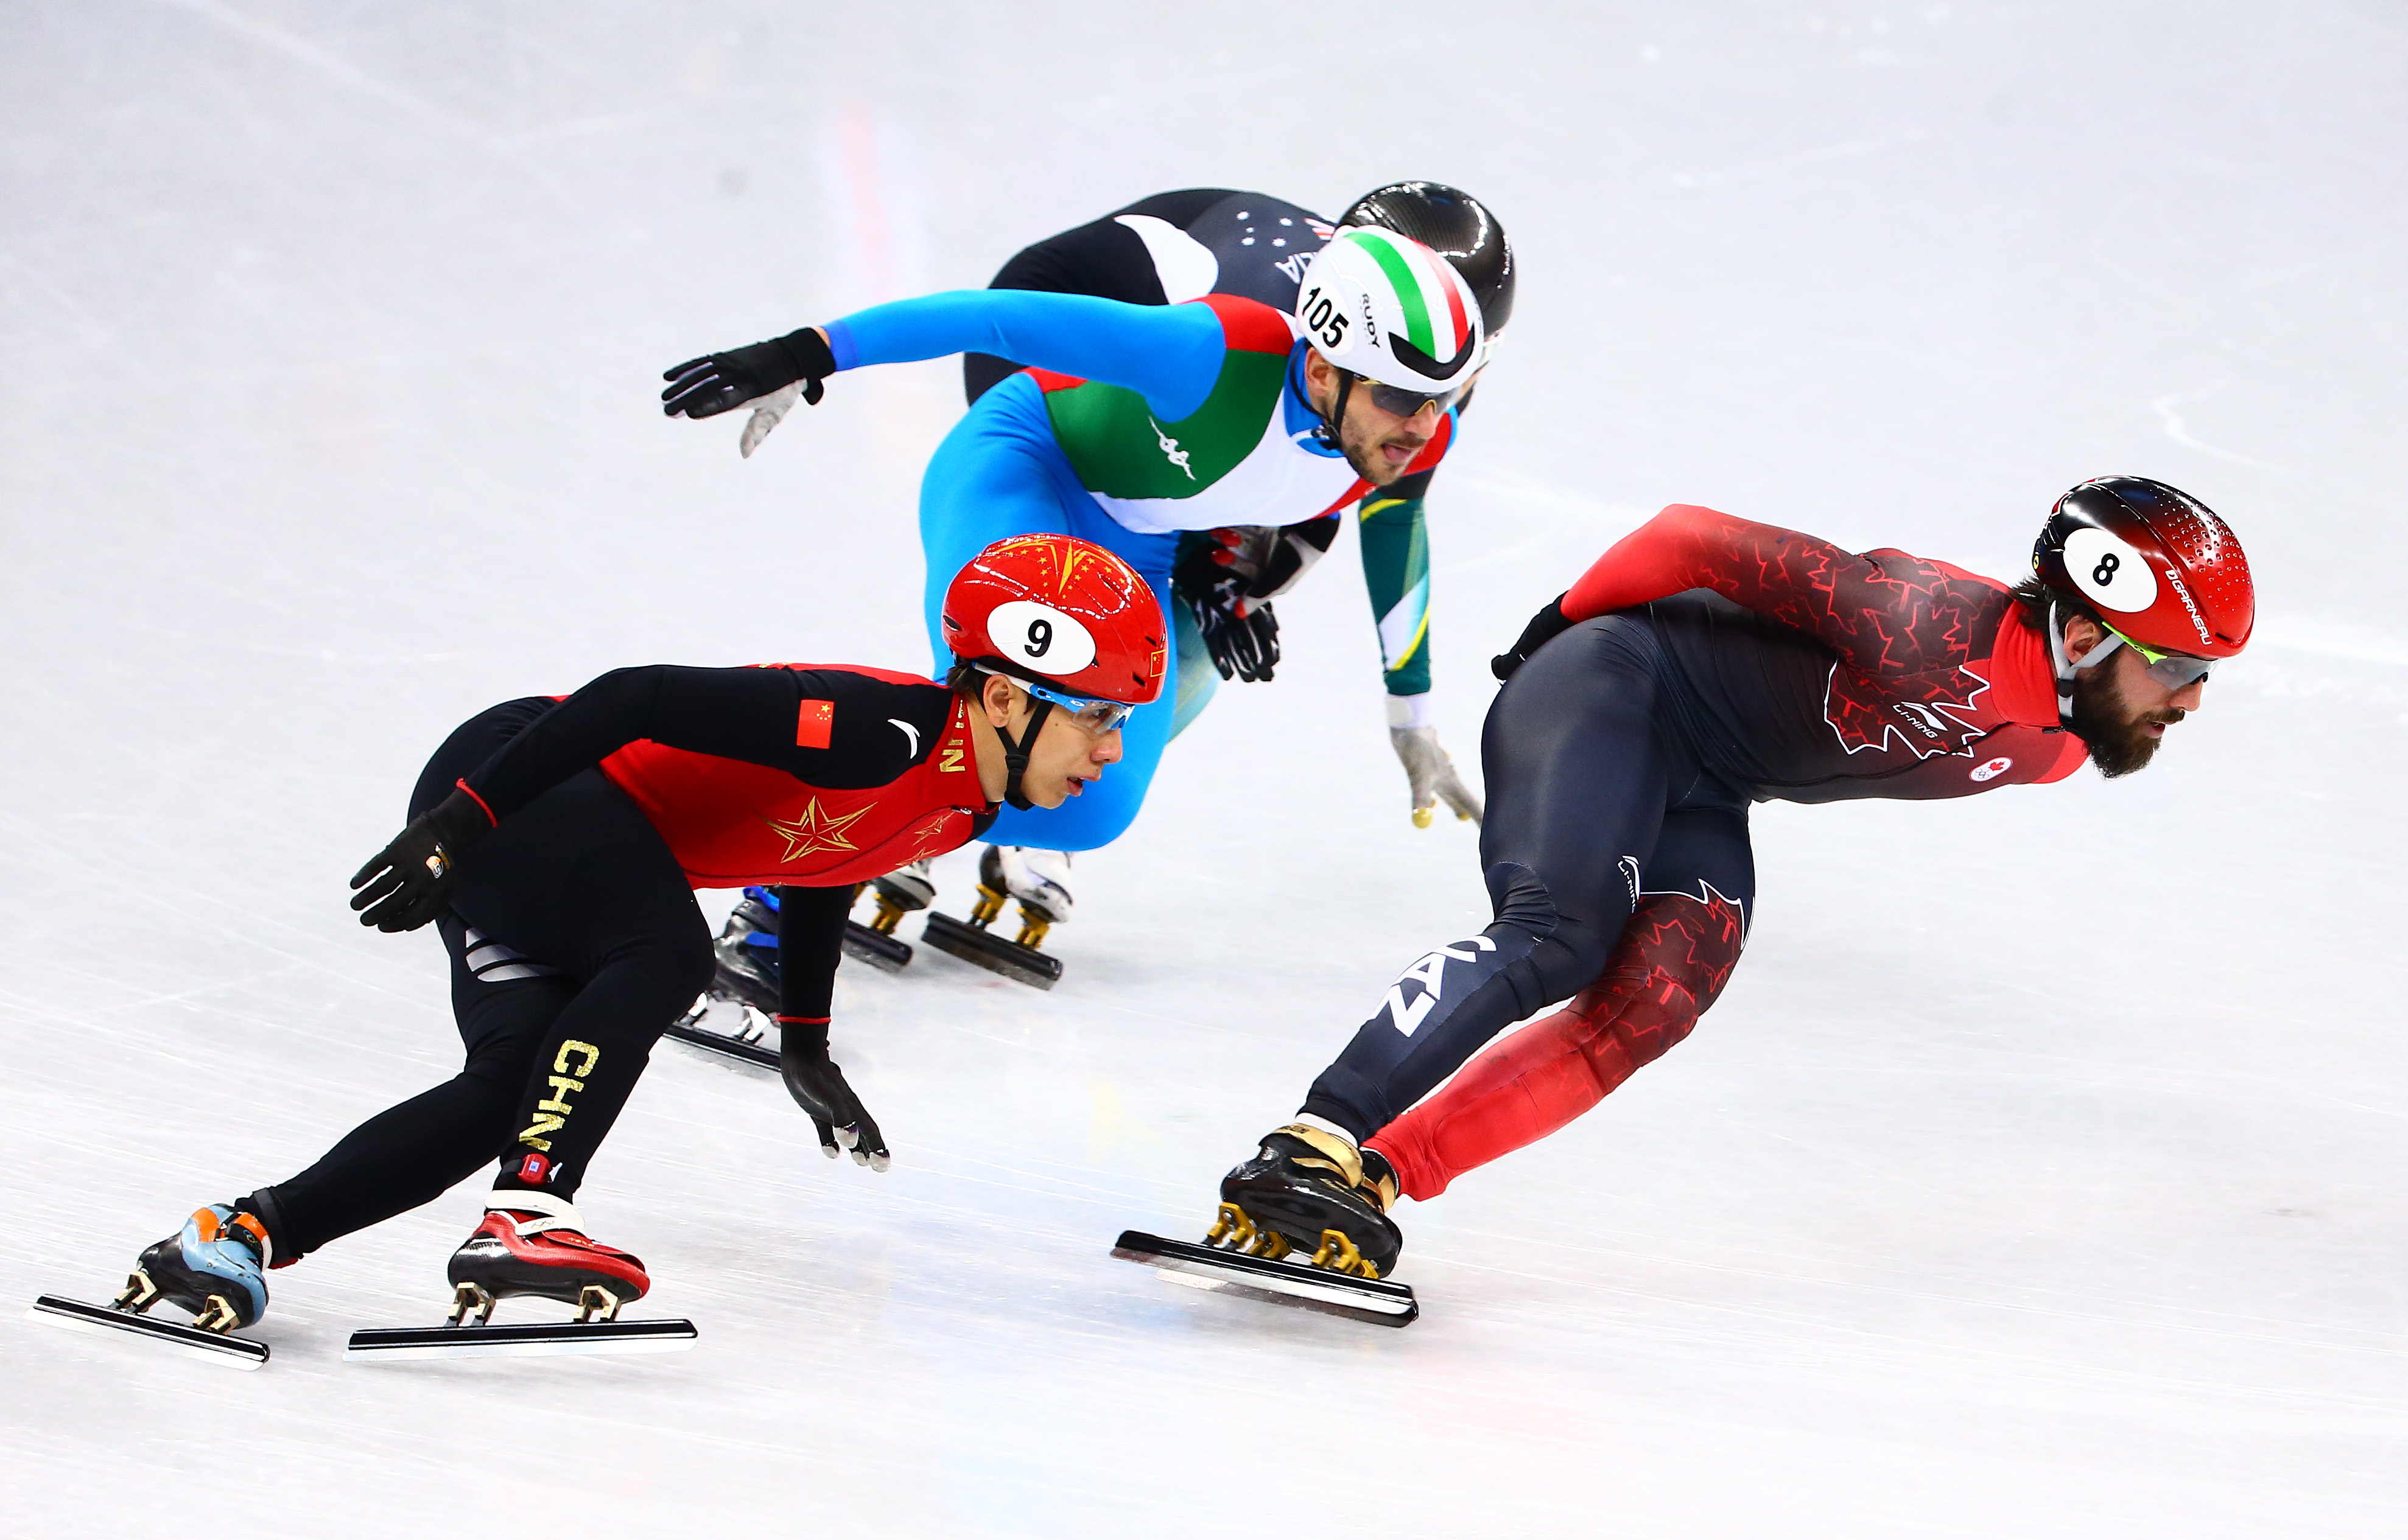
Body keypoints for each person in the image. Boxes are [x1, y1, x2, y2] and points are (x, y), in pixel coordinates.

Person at [1196, 476, 2255, 1281]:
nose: (2193, 701)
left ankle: (1373, 1172)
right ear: (2081, 632)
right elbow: (1688, 538)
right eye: (2177, 668)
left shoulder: (2059, 744)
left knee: (1660, 995)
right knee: (1563, 929)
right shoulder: (1921, 619)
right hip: (1613, 685)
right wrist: (1554, 634)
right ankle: (1313, 1136)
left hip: (1711, 779)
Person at [107, 535, 1162, 1339]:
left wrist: (806, 1047)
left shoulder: (960, 806)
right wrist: (459, 824)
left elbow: (821, 867)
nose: (1111, 752)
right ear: (1007, 695)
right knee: (664, 954)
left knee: (511, 1089)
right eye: (1099, 719)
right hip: (519, 779)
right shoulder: (879, 728)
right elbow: (632, 698)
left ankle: (238, 1234)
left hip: (553, 843)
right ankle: (527, 1213)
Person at [663, 205, 1498, 956]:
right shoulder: (1214, 351)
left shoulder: (1413, 433)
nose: (1424, 427)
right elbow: (995, 318)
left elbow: (1400, 537)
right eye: (1401, 397)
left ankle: (889, 826)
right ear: (1321, 372)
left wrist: (1411, 718)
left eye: (1444, 397)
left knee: (1093, 804)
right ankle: (779, 893)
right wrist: (807, 354)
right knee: (989, 722)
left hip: (1138, 545)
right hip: (1026, 466)